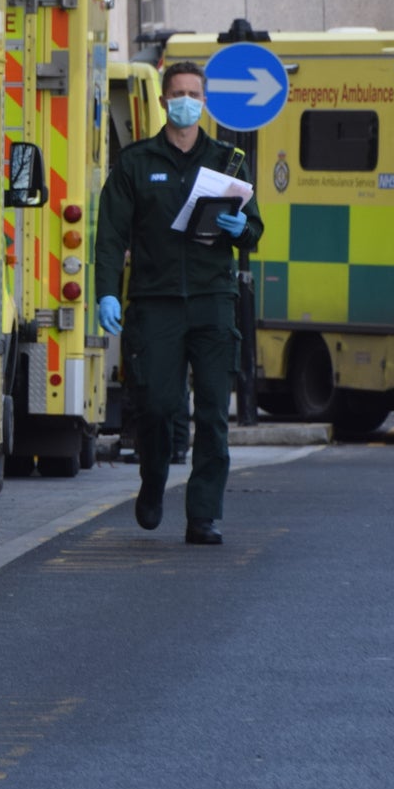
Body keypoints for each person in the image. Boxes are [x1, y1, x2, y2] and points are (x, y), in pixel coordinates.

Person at [92, 59, 262, 546]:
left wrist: (241, 229)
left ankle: (203, 515)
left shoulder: (228, 161)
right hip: (156, 302)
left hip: (212, 301)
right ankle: (153, 478)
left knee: (211, 413)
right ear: (165, 101)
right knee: (158, 405)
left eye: (195, 94)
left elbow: (253, 230)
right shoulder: (137, 163)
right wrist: (107, 290)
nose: (187, 102)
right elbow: (110, 235)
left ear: (204, 102)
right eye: (178, 94)